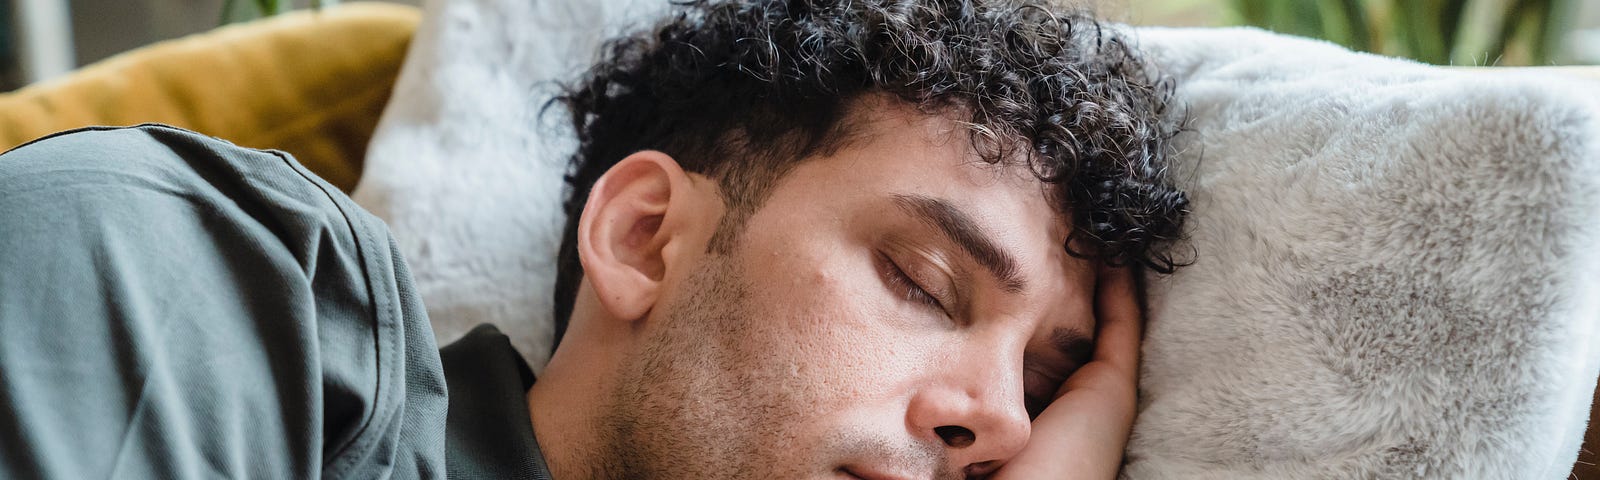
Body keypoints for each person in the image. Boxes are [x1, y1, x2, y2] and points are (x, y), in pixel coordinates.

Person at [0, 0, 1186, 478]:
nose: (1005, 427)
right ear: (643, 235)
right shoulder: (217, 279)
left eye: (1044, 382)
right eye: (921, 281)